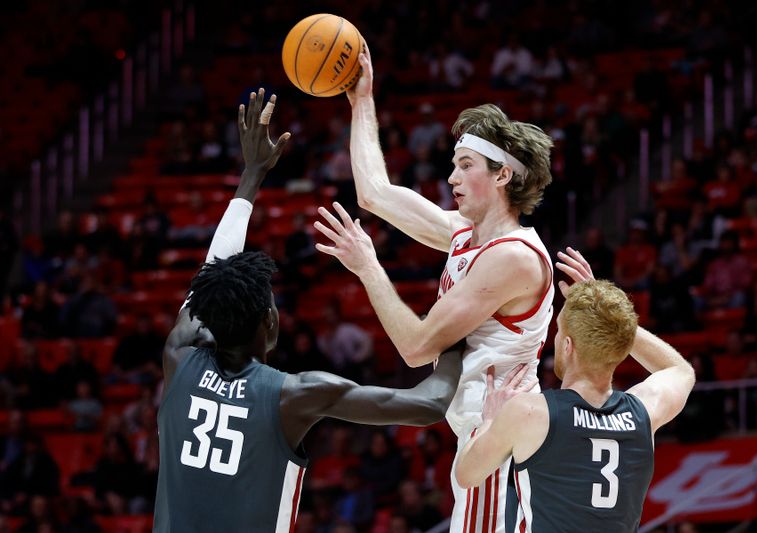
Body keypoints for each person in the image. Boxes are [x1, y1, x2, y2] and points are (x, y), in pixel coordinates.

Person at [153, 89, 464, 533]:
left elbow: (211, 273)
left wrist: (252, 174)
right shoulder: (294, 394)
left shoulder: (178, 358)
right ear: (269, 323)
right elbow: (430, 404)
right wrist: (458, 321)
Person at [315, 43, 554, 532]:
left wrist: (368, 266)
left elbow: (417, 347)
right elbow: (374, 194)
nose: (452, 177)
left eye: (466, 165)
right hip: (479, 435)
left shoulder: (511, 257)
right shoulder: (465, 233)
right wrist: (362, 101)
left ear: (503, 174)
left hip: (499, 439)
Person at [454, 247, 696, 532]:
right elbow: (682, 370)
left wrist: (490, 421)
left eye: (559, 332)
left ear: (568, 347)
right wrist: (612, 323)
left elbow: (467, 475)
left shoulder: (530, 412)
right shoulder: (644, 411)